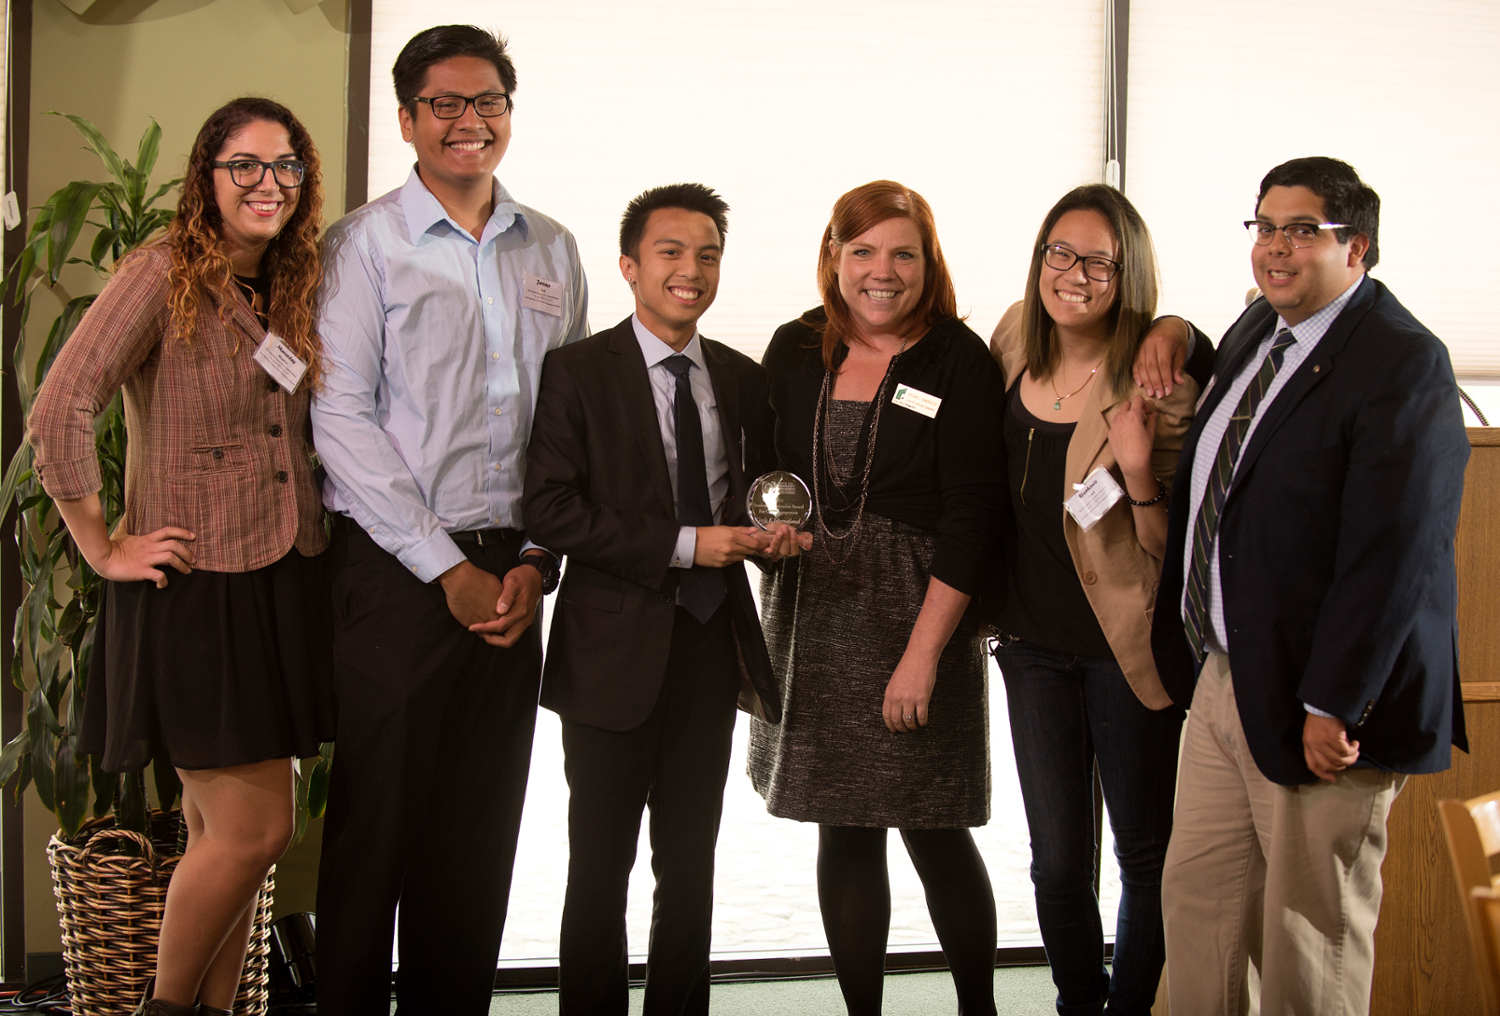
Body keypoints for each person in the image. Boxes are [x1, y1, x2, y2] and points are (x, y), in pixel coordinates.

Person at [28, 97, 329, 1016]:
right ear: (207, 176)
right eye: (244, 165)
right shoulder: (162, 271)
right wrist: (100, 544)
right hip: (196, 588)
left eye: (284, 167)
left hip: (278, 574)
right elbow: (61, 405)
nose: (266, 184)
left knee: (220, 839)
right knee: (253, 834)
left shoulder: (282, 280)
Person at [309, 25, 587, 1015]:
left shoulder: (551, 246)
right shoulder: (361, 247)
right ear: (408, 120)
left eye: (489, 104)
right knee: (377, 825)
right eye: (446, 105)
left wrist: (540, 559)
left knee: (477, 831)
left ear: (509, 113)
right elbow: (337, 418)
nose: (470, 123)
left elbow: (573, 417)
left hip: (515, 570)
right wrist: (443, 566)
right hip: (393, 574)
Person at [1150, 157, 1468, 1015]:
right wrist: (1172, 327)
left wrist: (1336, 701)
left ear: (1356, 246)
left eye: (1301, 231)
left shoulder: (1403, 363)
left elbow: (1394, 554)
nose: (1275, 248)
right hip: (1227, 675)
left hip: (1320, 703)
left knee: (1306, 943)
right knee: (1200, 912)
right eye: (1263, 226)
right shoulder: (1262, 328)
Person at [524, 182, 792, 1015]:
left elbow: (756, 496)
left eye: (707, 255)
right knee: (598, 866)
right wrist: (686, 546)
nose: (691, 270)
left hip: (712, 650)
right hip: (609, 654)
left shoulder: (742, 379)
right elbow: (550, 508)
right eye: (671, 253)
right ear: (629, 267)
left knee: (692, 864)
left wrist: (773, 533)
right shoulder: (576, 371)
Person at [747, 180, 1006, 1016]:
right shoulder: (792, 348)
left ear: (929, 263)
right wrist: (767, 525)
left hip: (919, 615)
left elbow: (974, 519)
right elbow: (758, 473)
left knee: (935, 827)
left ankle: (979, 1010)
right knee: (843, 826)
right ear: (833, 256)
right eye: (862, 251)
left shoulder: (958, 359)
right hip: (814, 618)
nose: (881, 271)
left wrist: (923, 658)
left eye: (904, 253)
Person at [986, 184, 1210, 1016]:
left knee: (1145, 852)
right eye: (1060, 252)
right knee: (1054, 860)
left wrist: (1142, 470)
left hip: (1125, 646)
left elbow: (1173, 547)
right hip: (1030, 646)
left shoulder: (1160, 378)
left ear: (1129, 274)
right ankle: (1080, 1000)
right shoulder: (1015, 334)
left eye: (1099, 261)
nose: (1074, 274)